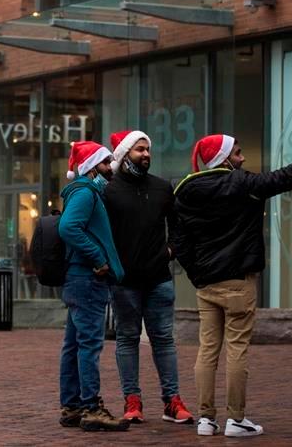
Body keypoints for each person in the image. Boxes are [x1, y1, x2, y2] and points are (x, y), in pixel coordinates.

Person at [173, 128, 292, 438]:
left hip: (206, 285)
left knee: (207, 350)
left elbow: (179, 241)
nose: (242, 158)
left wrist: (197, 273)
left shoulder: (185, 192)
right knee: (237, 349)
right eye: (237, 153)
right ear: (224, 160)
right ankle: (236, 419)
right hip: (238, 282)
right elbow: (288, 176)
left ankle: (205, 420)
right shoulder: (243, 184)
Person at [103, 130, 192, 425]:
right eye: (139, 149)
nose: (146, 154)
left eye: (148, 150)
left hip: (159, 279)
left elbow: (179, 226)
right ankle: (132, 401)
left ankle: (172, 401)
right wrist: (108, 263)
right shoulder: (109, 190)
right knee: (127, 339)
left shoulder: (162, 187)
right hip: (124, 282)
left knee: (163, 340)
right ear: (124, 154)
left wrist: (171, 250)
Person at [57, 140, 130, 433]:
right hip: (88, 279)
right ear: (90, 167)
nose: (110, 168)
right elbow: (68, 227)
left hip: (79, 279)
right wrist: (98, 258)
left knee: (74, 344)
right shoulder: (86, 192)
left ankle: (72, 406)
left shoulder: (82, 191)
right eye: (105, 163)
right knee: (88, 345)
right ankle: (91, 408)